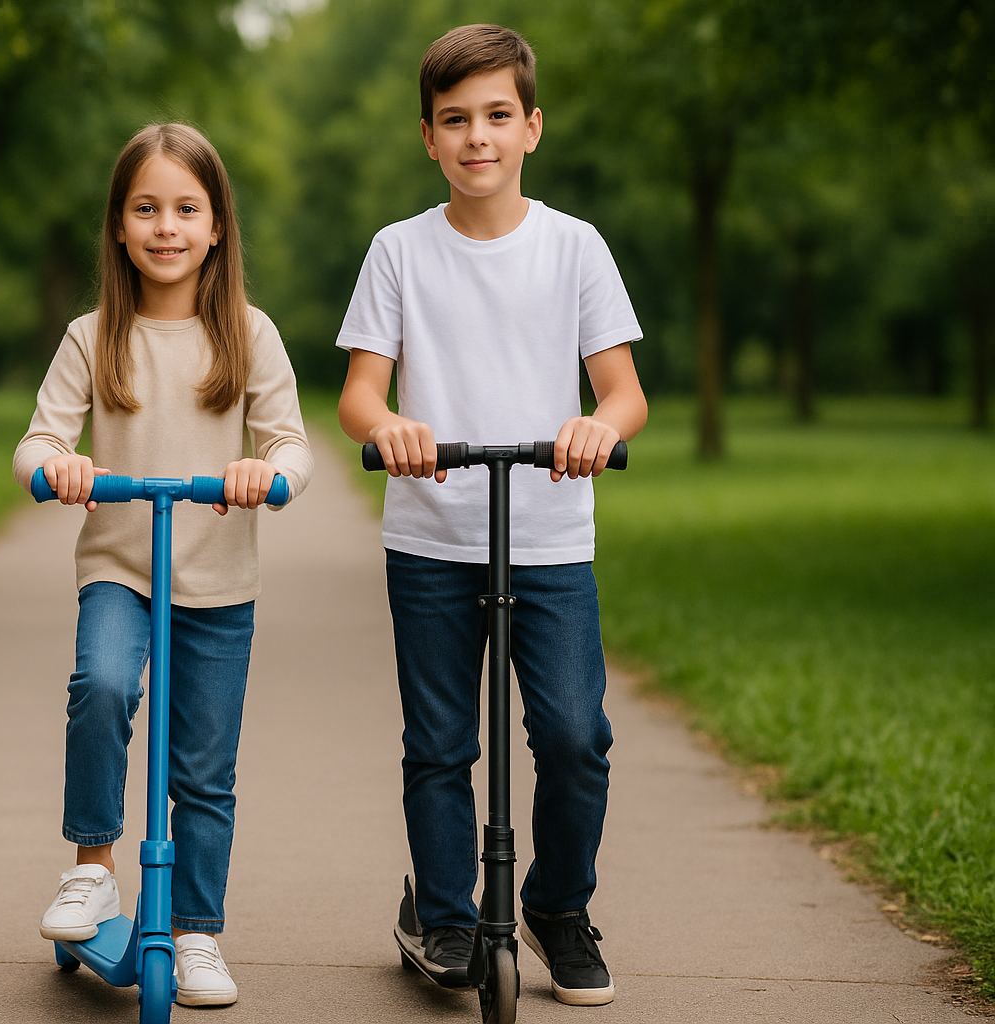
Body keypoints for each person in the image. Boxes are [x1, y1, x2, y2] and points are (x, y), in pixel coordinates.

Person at [336, 25, 647, 1007]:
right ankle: (444, 913)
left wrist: (595, 427)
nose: (479, 137)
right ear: (427, 137)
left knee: (572, 734)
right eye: (456, 120)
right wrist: (392, 427)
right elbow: (358, 396)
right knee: (439, 742)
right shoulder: (399, 252)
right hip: (431, 534)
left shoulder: (575, 248)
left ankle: (556, 903)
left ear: (532, 128)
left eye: (498, 117)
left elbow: (624, 393)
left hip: (550, 538)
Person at [12, 123, 313, 1007]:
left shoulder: (250, 335)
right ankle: (94, 868)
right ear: (118, 225)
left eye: (187, 208)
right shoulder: (91, 334)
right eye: (146, 208)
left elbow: (292, 444)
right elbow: (36, 440)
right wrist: (56, 467)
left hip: (220, 583)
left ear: (218, 226)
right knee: (101, 687)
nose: (167, 226)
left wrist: (267, 476)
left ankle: (196, 932)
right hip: (123, 569)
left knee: (203, 771)